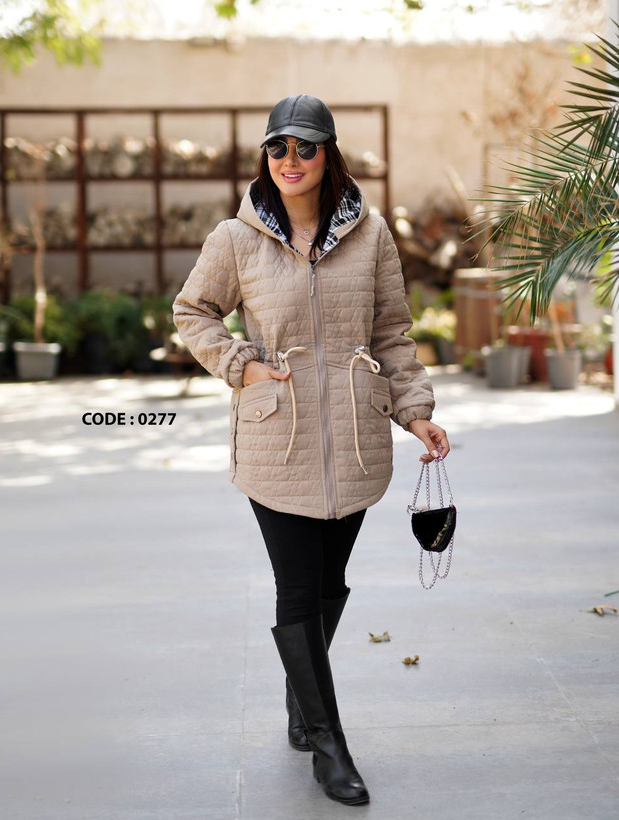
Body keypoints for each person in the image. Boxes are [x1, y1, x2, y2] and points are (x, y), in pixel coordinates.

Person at [172, 94, 450, 807]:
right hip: (278, 438)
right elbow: (192, 311)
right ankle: (330, 745)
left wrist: (415, 412)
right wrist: (241, 365)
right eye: (278, 147)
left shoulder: (372, 234)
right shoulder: (235, 239)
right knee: (297, 588)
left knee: (331, 584)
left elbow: (391, 331)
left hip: (355, 436)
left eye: (304, 147)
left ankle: (304, 702)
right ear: (265, 156)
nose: (289, 160)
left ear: (329, 155)